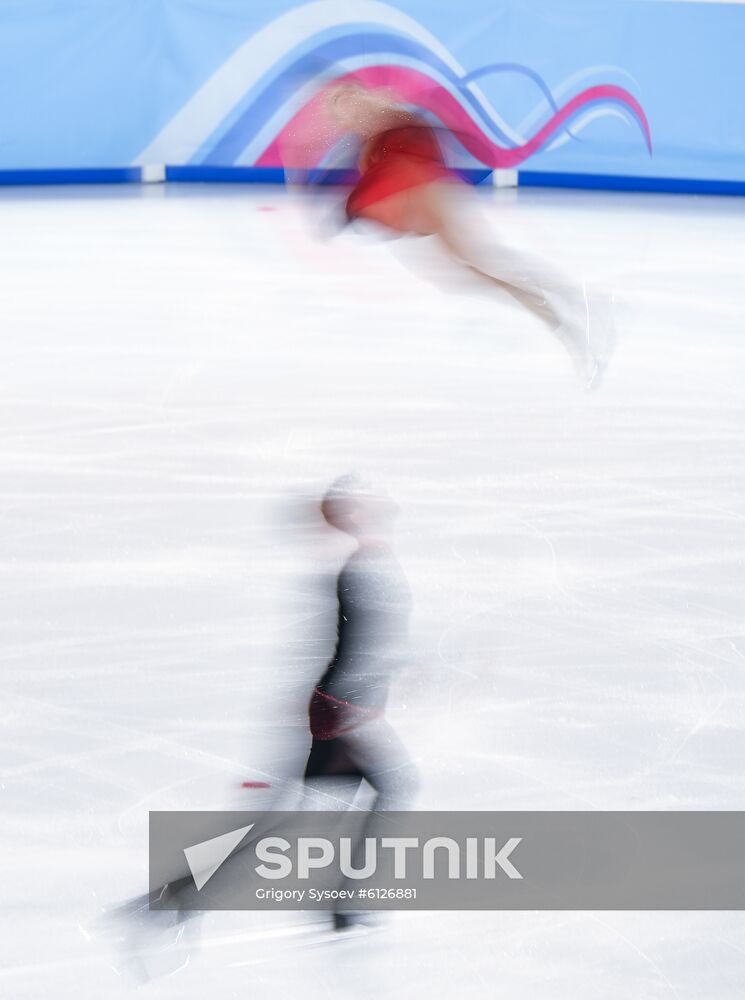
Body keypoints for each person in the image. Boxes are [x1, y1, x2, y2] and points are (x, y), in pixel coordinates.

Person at [303, 81, 615, 387]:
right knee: (478, 271)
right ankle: (564, 313)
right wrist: (351, 208)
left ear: (361, 97)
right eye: (340, 111)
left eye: (348, 101)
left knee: (485, 265)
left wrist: (351, 207)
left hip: (433, 195)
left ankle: (569, 309)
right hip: (424, 205)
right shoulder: (369, 144)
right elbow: (377, 188)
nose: (348, 112)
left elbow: (412, 154)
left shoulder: (387, 119)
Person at [304, 473, 419, 930]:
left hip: (346, 706)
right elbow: (361, 646)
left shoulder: (369, 561)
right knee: (396, 787)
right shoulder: (363, 567)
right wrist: (350, 715)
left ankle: (347, 901)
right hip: (345, 710)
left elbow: (377, 642)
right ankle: (347, 901)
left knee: (298, 824)